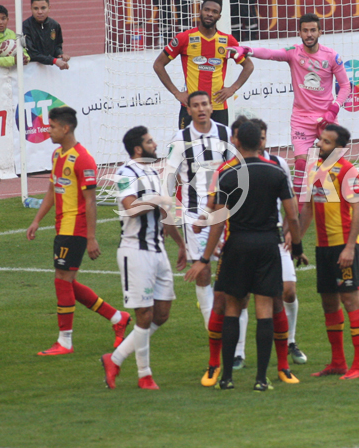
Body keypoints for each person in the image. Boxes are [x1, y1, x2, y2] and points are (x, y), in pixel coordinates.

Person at [186, 121, 304, 391]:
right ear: (260, 141)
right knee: (265, 309)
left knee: (232, 309)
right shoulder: (276, 172)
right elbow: (293, 215)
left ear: (236, 142)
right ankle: (261, 379)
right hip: (267, 245)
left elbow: (218, 220)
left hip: (237, 245)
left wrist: (204, 258)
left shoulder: (229, 175)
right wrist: (297, 246)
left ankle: (227, 377)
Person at [26, 107, 130, 355]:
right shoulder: (56, 155)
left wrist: (91, 237)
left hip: (76, 228)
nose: (48, 131)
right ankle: (117, 318)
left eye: (51, 127)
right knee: (66, 281)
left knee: (62, 281)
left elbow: (91, 200)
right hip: (62, 227)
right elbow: (52, 190)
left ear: (66, 128)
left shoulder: (83, 159)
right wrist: (37, 220)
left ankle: (65, 341)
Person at [228, 13, 351, 203]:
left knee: (334, 163)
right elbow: (270, 54)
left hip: (327, 118)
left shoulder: (332, 56)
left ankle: (344, 200)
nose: (309, 34)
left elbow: (345, 86)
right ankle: (301, 211)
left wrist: (333, 109)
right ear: (299, 33)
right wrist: (247, 49)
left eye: (313, 30)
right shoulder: (294, 52)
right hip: (302, 119)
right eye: (305, 30)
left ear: (320, 32)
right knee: (301, 163)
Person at [101, 126, 187, 390]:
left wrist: (181, 244)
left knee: (161, 314)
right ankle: (144, 375)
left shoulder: (153, 171)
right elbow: (132, 208)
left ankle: (114, 358)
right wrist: (159, 199)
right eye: (150, 141)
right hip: (135, 252)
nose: (155, 144)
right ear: (138, 148)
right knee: (144, 315)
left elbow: (164, 213)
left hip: (158, 250)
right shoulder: (126, 173)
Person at [229, 118, 309, 374]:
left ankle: (291, 342)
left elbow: (291, 205)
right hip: (242, 238)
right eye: (258, 137)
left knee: (288, 292)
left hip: (273, 237)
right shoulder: (230, 168)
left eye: (264, 137)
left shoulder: (278, 164)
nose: (261, 142)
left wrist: (289, 233)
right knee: (241, 299)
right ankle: (239, 352)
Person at [298, 124, 359, 380]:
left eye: (326, 142)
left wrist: (350, 247)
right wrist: (296, 241)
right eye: (320, 140)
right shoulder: (313, 168)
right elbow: (306, 209)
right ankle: (338, 362)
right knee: (329, 303)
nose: (319, 145)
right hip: (323, 248)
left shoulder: (348, 171)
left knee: (350, 301)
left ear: (339, 149)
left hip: (343, 247)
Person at [163, 91, 233, 331]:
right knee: (202, 272)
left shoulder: (224, 133)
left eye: (205, 104)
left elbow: (235, 171)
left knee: (229, 269)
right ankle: (212, 327)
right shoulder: (179, 140)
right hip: (194, 216)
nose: (201, 108)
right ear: (189, 110)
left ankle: (228, 322)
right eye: (196, 105)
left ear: (211, 107)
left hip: (223, 213)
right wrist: (167, 217)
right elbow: (168, 183)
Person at [153, 0, 254, 128]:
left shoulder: (228, 41)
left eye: (214, 12)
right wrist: (176, 93)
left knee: (217, 149)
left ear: (219, 16)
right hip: (191, 107)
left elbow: (249, 66)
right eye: (207, 10)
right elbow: (158, 65)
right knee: (189, 148)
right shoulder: (184, 38)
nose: (210, 14)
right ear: (200, 11)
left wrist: (232, 88)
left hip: (217, 107)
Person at [22, 0, 70, 70]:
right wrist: (54, 61)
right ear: (31, 9)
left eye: (43, 8)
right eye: (36, 8)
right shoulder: (25, 26)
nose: (40, 12)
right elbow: (32, 53)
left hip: (50, 71)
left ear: (49, 8)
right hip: (31, 71)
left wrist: (60, 54)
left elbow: (57, 45)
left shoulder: (55, 25)